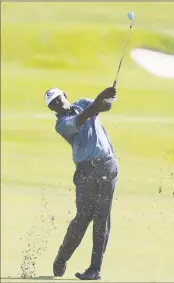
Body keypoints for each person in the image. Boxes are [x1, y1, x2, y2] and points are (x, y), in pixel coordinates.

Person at [44, 86, 118, 280]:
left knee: (102, 218)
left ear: (65, 95)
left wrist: (109, 97)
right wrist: (101, 97)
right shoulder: (61, 124)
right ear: (52, 110)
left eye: (59, 99)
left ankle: (95, 269)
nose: (58, 104)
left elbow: (103, 108)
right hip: (86, 172)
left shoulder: (84, 103)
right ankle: (62, 257)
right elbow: (83, 117)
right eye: (54, 104)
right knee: (83, 217)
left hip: (107, 166)